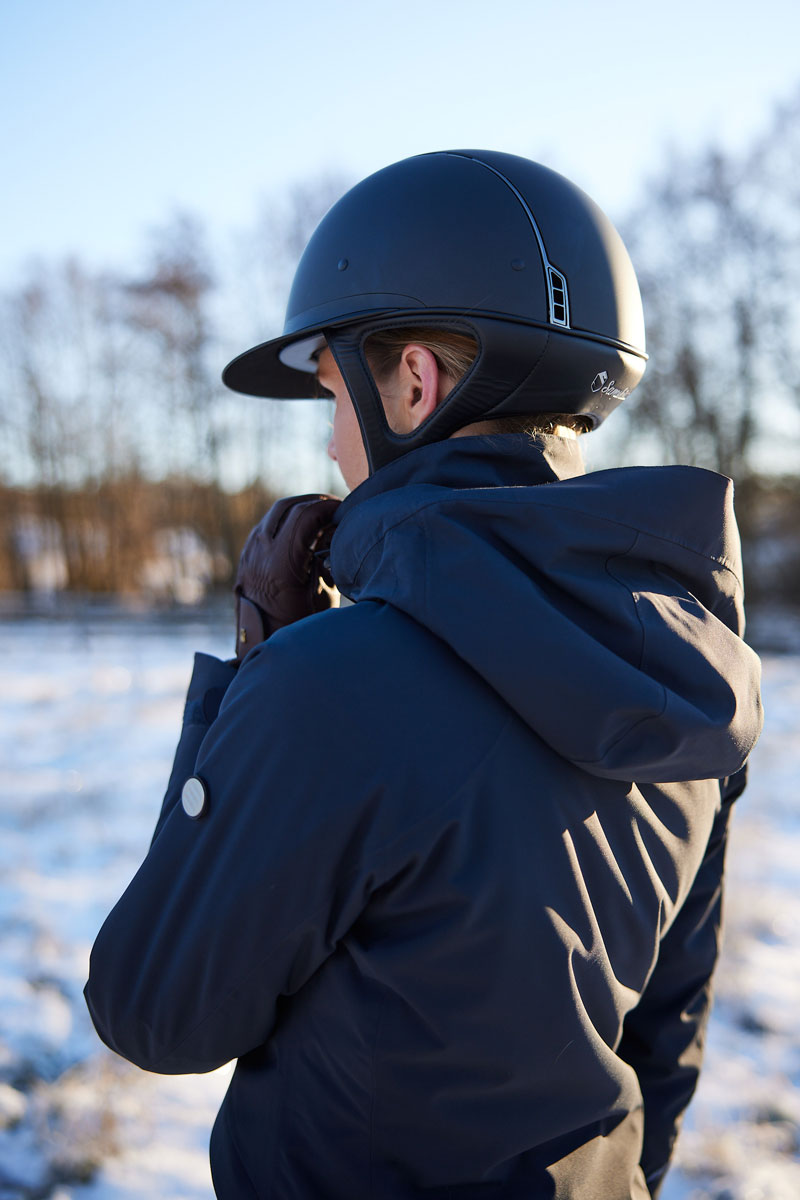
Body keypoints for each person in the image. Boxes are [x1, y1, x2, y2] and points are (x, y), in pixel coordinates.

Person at [85, 150, 763, 1199]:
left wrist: (257, 675)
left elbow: (156, 1012)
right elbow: (667, 1030)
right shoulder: (691, 671)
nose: (330, 447)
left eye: (332, 397)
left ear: (411, 384)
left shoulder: (327, 686)